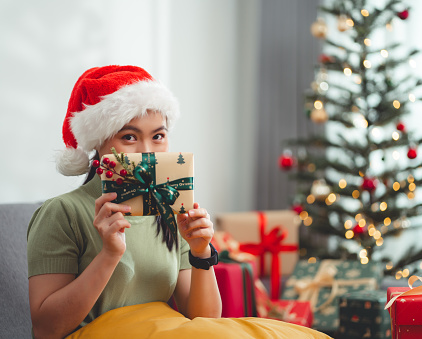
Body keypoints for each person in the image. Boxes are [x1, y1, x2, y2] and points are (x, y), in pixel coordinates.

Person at [27, 65, 332, 339]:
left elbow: (206, 318)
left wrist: (201, 253)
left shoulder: (170, 209)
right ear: (100, 145)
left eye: (158, 136)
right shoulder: (62, 212)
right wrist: (109, 255)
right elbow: (45, 330)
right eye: (130, 138)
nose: (148, 151)